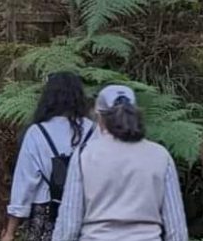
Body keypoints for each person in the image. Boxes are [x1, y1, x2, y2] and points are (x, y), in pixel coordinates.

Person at [51, 85, 189, 241]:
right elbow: (176, 228)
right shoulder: (161, 156)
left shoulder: (85, 155)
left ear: (99, 117)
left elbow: (69, 223)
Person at [1, 72, 95, 241]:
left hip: (45, 213)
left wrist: (10, 231)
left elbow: (24, 183)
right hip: (86, 211)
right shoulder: (93, 131)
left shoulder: (37, 133)